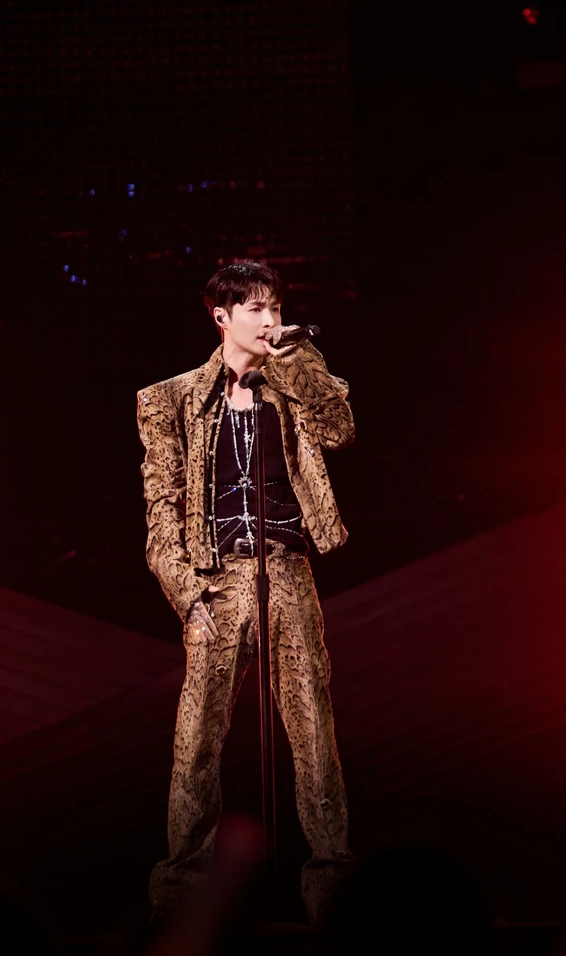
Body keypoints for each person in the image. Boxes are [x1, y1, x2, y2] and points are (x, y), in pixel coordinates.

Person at [136, 259, 355, 928]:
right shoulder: (169, 400)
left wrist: (298, 358)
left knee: (313, 733)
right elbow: (161, 511)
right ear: (221, 316)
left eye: (274, 307)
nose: (268, 319)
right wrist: (187, 594)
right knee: (196, 738)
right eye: (255, 308)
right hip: (215, 580)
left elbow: (338, 428)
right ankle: (181, 894)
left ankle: (333, 891)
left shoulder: (295, 382)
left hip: (286, 570)